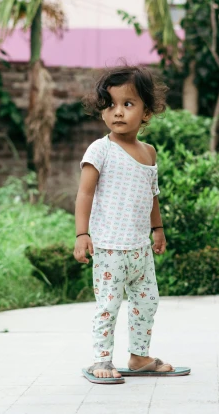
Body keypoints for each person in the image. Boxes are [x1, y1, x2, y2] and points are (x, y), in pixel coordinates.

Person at [75, 64, 190, 384]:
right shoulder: (101, 149)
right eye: (110, 104)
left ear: (146, 112)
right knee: (108, 304)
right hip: (110, 245)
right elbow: (84, 194)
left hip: (140, 247)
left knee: (147, 301)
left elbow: (152, 194)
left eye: (128, 104)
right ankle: (101, 358)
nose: (118, 112)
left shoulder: (149, 153)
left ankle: (139, 356)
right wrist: (82, 234)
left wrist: (159, 229)